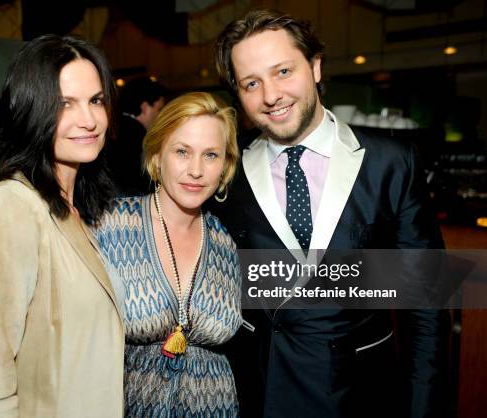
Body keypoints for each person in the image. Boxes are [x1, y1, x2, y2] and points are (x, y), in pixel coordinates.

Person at [212, 9, 451, 418]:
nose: (271, 95)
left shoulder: (391, 162)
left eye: (284, 71)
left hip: (361, 394)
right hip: (257, 393)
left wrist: (422, 409)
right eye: (252, 83)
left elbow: (425, 305)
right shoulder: (224, 171)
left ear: (316, 66)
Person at [0, 34, 124, 417]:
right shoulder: (6, 210)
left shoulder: (77, 212)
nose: (89, 120)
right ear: (30, 111)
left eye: (95, 100)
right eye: (64, 104)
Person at [93, 92, 243, 416]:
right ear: (158, 154)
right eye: (182, 151)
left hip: (216, 407)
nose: (196, 170)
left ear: (225, 166)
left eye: (211, 155)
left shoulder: (226, 242)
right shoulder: (111, 226)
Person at [107, 76, 167, 196]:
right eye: (159, 109)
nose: (161, 116)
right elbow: (146, 181)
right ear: (145, 107)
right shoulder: (139, 136)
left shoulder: (114, 128)